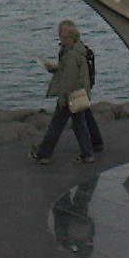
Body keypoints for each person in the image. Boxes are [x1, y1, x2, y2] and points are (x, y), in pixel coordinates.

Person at [29, 20, 97, 164]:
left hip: (70, 95)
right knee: (79, 124)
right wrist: (54, 68)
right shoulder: (78, 50)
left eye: (64, 37)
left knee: (57, 125)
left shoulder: (71, 54)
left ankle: (44, 155)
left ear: (72, 37)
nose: (61, 39)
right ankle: (88, 153)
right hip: (79, 93)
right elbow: (70, 73)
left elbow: (69, 79)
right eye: (61, 36)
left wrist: (62, 98)